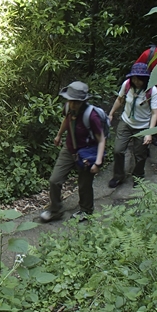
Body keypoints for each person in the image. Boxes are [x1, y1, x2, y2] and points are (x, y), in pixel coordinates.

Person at [40, 81, 106, 223]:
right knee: (54, 180)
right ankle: (56, 210)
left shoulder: (92, 116)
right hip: (69, 149)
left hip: (87, 153)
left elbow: (101, 140)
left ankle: (86, 211)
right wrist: (59, 135)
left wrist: (98, 162)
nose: (73, 104)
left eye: (76, 102)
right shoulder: (68, 107)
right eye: (71, 101)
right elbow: (67, 120)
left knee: (84, 185)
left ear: (83, 101)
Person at [107, 63, 157, 188]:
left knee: (140, 154)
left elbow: (154, 113)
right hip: (126, 122)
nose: (136, 81)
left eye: (139, 79)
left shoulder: (152, 90)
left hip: (143, 126)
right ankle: (118, 176)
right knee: (118, 150)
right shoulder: (127, 85)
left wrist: (149, 133)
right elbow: (119, 99)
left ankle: (138, 176)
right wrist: (111, 113)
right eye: (134, 78)